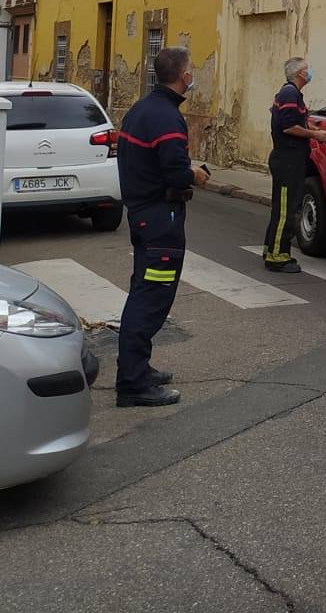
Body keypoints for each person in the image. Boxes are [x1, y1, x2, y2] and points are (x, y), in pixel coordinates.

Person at [114, 46, 210, 408]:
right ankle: (133, 384)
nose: (193, 74)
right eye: (192, 69)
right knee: (151, 298)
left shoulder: (142, 109)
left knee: (144, 291)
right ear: (183, 76)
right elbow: (173, 169)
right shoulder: (167, 117)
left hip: (143, 214)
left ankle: (137, 367)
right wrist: (195, 175)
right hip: (159, 219)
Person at [265, 56, 326, 273]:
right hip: (288, 162)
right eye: (307, 69)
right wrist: (316, 134)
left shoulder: (291, 94)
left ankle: (273, 249)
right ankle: (277, 256)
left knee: (282, 208)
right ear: (300, 74)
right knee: (286, 210)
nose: (309, 72)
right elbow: (288, 127)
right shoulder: (289, 93)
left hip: (289, 161)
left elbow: (286, 118)